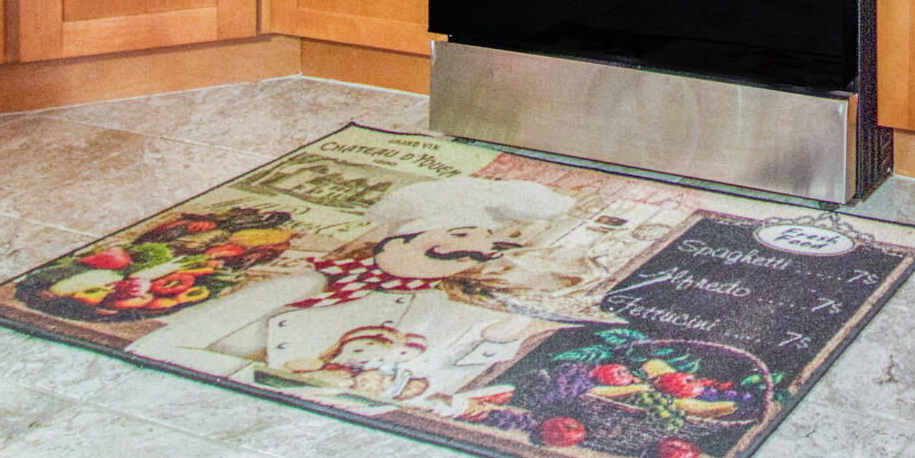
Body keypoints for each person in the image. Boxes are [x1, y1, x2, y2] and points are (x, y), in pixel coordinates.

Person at [138, 174, 582, 415]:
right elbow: (157, 347)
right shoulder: (305, 286)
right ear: (397, 243)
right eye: (460, 234)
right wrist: (276, 379)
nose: (471, 253)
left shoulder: (430, 301)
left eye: (480, 243)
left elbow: (438, 366)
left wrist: (512, 331)